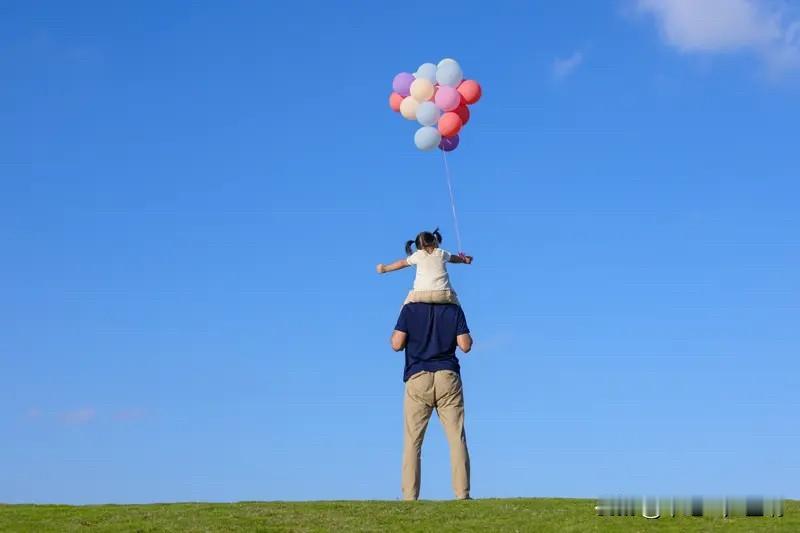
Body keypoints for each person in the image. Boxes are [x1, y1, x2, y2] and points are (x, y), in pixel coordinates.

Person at [390, 299, 473, 501]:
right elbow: (465, 345)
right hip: (447, 377)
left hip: (418, 377)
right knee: (456, 438)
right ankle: (462, 494)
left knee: (412, 441)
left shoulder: (409, 309)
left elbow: (396, 344)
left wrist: (402, 315)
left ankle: (410, 497)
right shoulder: (454, 308)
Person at [376, 228, 473, 306]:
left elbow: (401, 263)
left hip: (419, 294)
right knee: (457, 307)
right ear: (435, 241)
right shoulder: (441, 253)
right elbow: (454, 258)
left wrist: (385, 268)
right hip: (443, 293)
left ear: (418, 247)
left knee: (405, 306)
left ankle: (403, 324)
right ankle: (461, 330)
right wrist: (464, 260)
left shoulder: (417, 255)